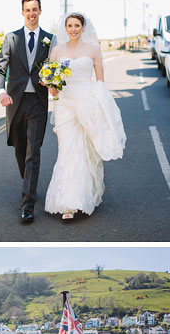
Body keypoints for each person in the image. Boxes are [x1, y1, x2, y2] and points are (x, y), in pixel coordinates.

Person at [43, 12, 126, 220]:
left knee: (85, 151)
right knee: (67, 149)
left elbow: (100, 83)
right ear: (65, 28)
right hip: (64, 105)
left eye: (77, 25)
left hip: (86, 103)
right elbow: (50, 80)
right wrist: (52, 89)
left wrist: (100, 108)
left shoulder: (93, 51)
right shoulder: (57, 51)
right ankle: (67, 204)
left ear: (83, 27)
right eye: (69, 25)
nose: (73, 29)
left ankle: (82, 197)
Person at [0, 0, 53, 223]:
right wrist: (1, 92)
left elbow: (54, 68)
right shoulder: (11, 38)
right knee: (19, 149)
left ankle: (28, 204)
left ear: (40, 11)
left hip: (38, 102)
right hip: (15, 103)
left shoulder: (50, 39)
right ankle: (29, 182)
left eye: (35, 9)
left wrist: (54, 85)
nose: (31, 13)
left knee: (32, 153)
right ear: (22, 12)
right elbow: (0, 70)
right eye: (28, 10)